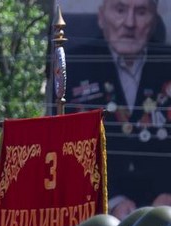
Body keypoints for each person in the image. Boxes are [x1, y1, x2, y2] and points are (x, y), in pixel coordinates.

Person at [66, 0, 171, 207]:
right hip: (95, 207)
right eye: (120, 10)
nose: (130, 23)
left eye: (141, 12)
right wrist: (113, 200)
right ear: (101, 17)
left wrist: (167, 192)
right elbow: (66, 149)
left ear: (153, 19)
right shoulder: (74, 65)